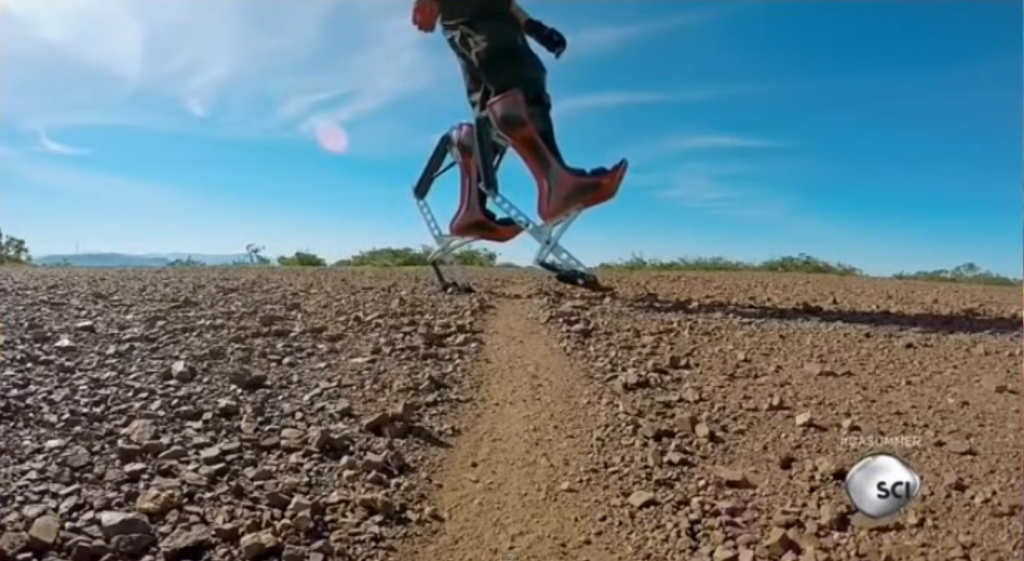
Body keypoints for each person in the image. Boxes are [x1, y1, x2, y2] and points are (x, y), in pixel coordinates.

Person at [413, 0, 628, 235]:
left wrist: (534, 27)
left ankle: (472, 210)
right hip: (478, 13)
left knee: (489, 112)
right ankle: (556, 186)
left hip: (478, 17)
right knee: (518, 86)